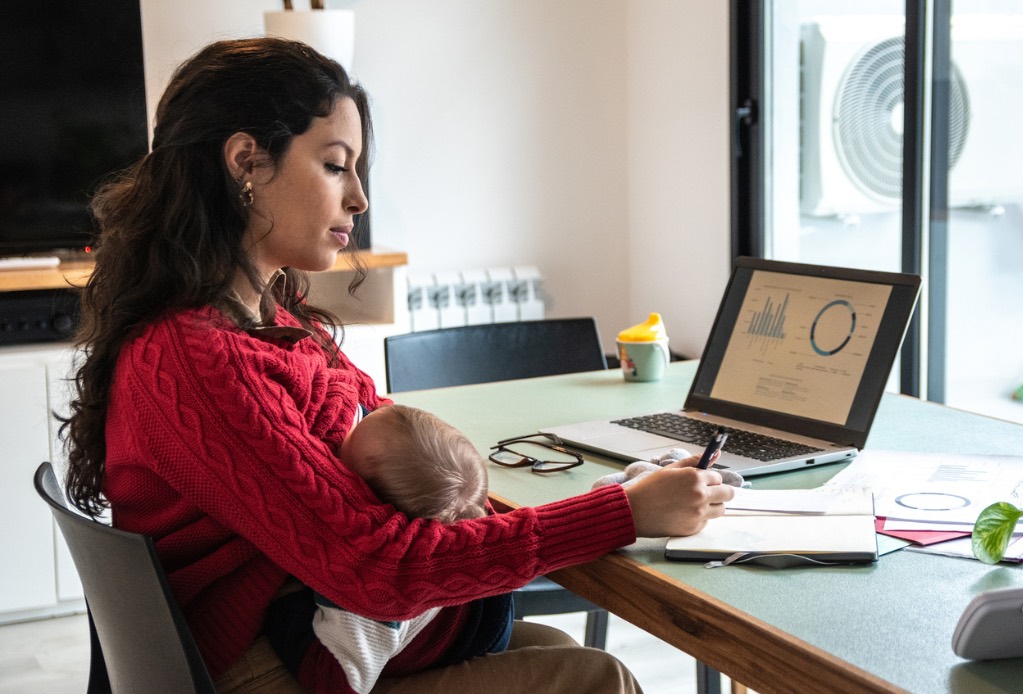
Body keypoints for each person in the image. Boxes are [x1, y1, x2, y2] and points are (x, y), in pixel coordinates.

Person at [62, 36, 734, 694]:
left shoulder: (266, 319)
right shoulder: (197, 357)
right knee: (594, 678)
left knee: (551, 650)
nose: (358, 198)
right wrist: (619, 513)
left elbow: (359, 440)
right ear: (247, 162)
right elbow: (375, 565)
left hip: (284, 629)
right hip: (254, 664)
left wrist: (612, 501)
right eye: (334, 165)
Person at [265, 404, 504, 694]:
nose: (329, 450)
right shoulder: (447, 506)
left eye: (339, 456)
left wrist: (284, 612)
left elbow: (337, 681)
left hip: (465, 636)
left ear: (375, 512)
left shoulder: (379, 587)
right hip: (477, 598)